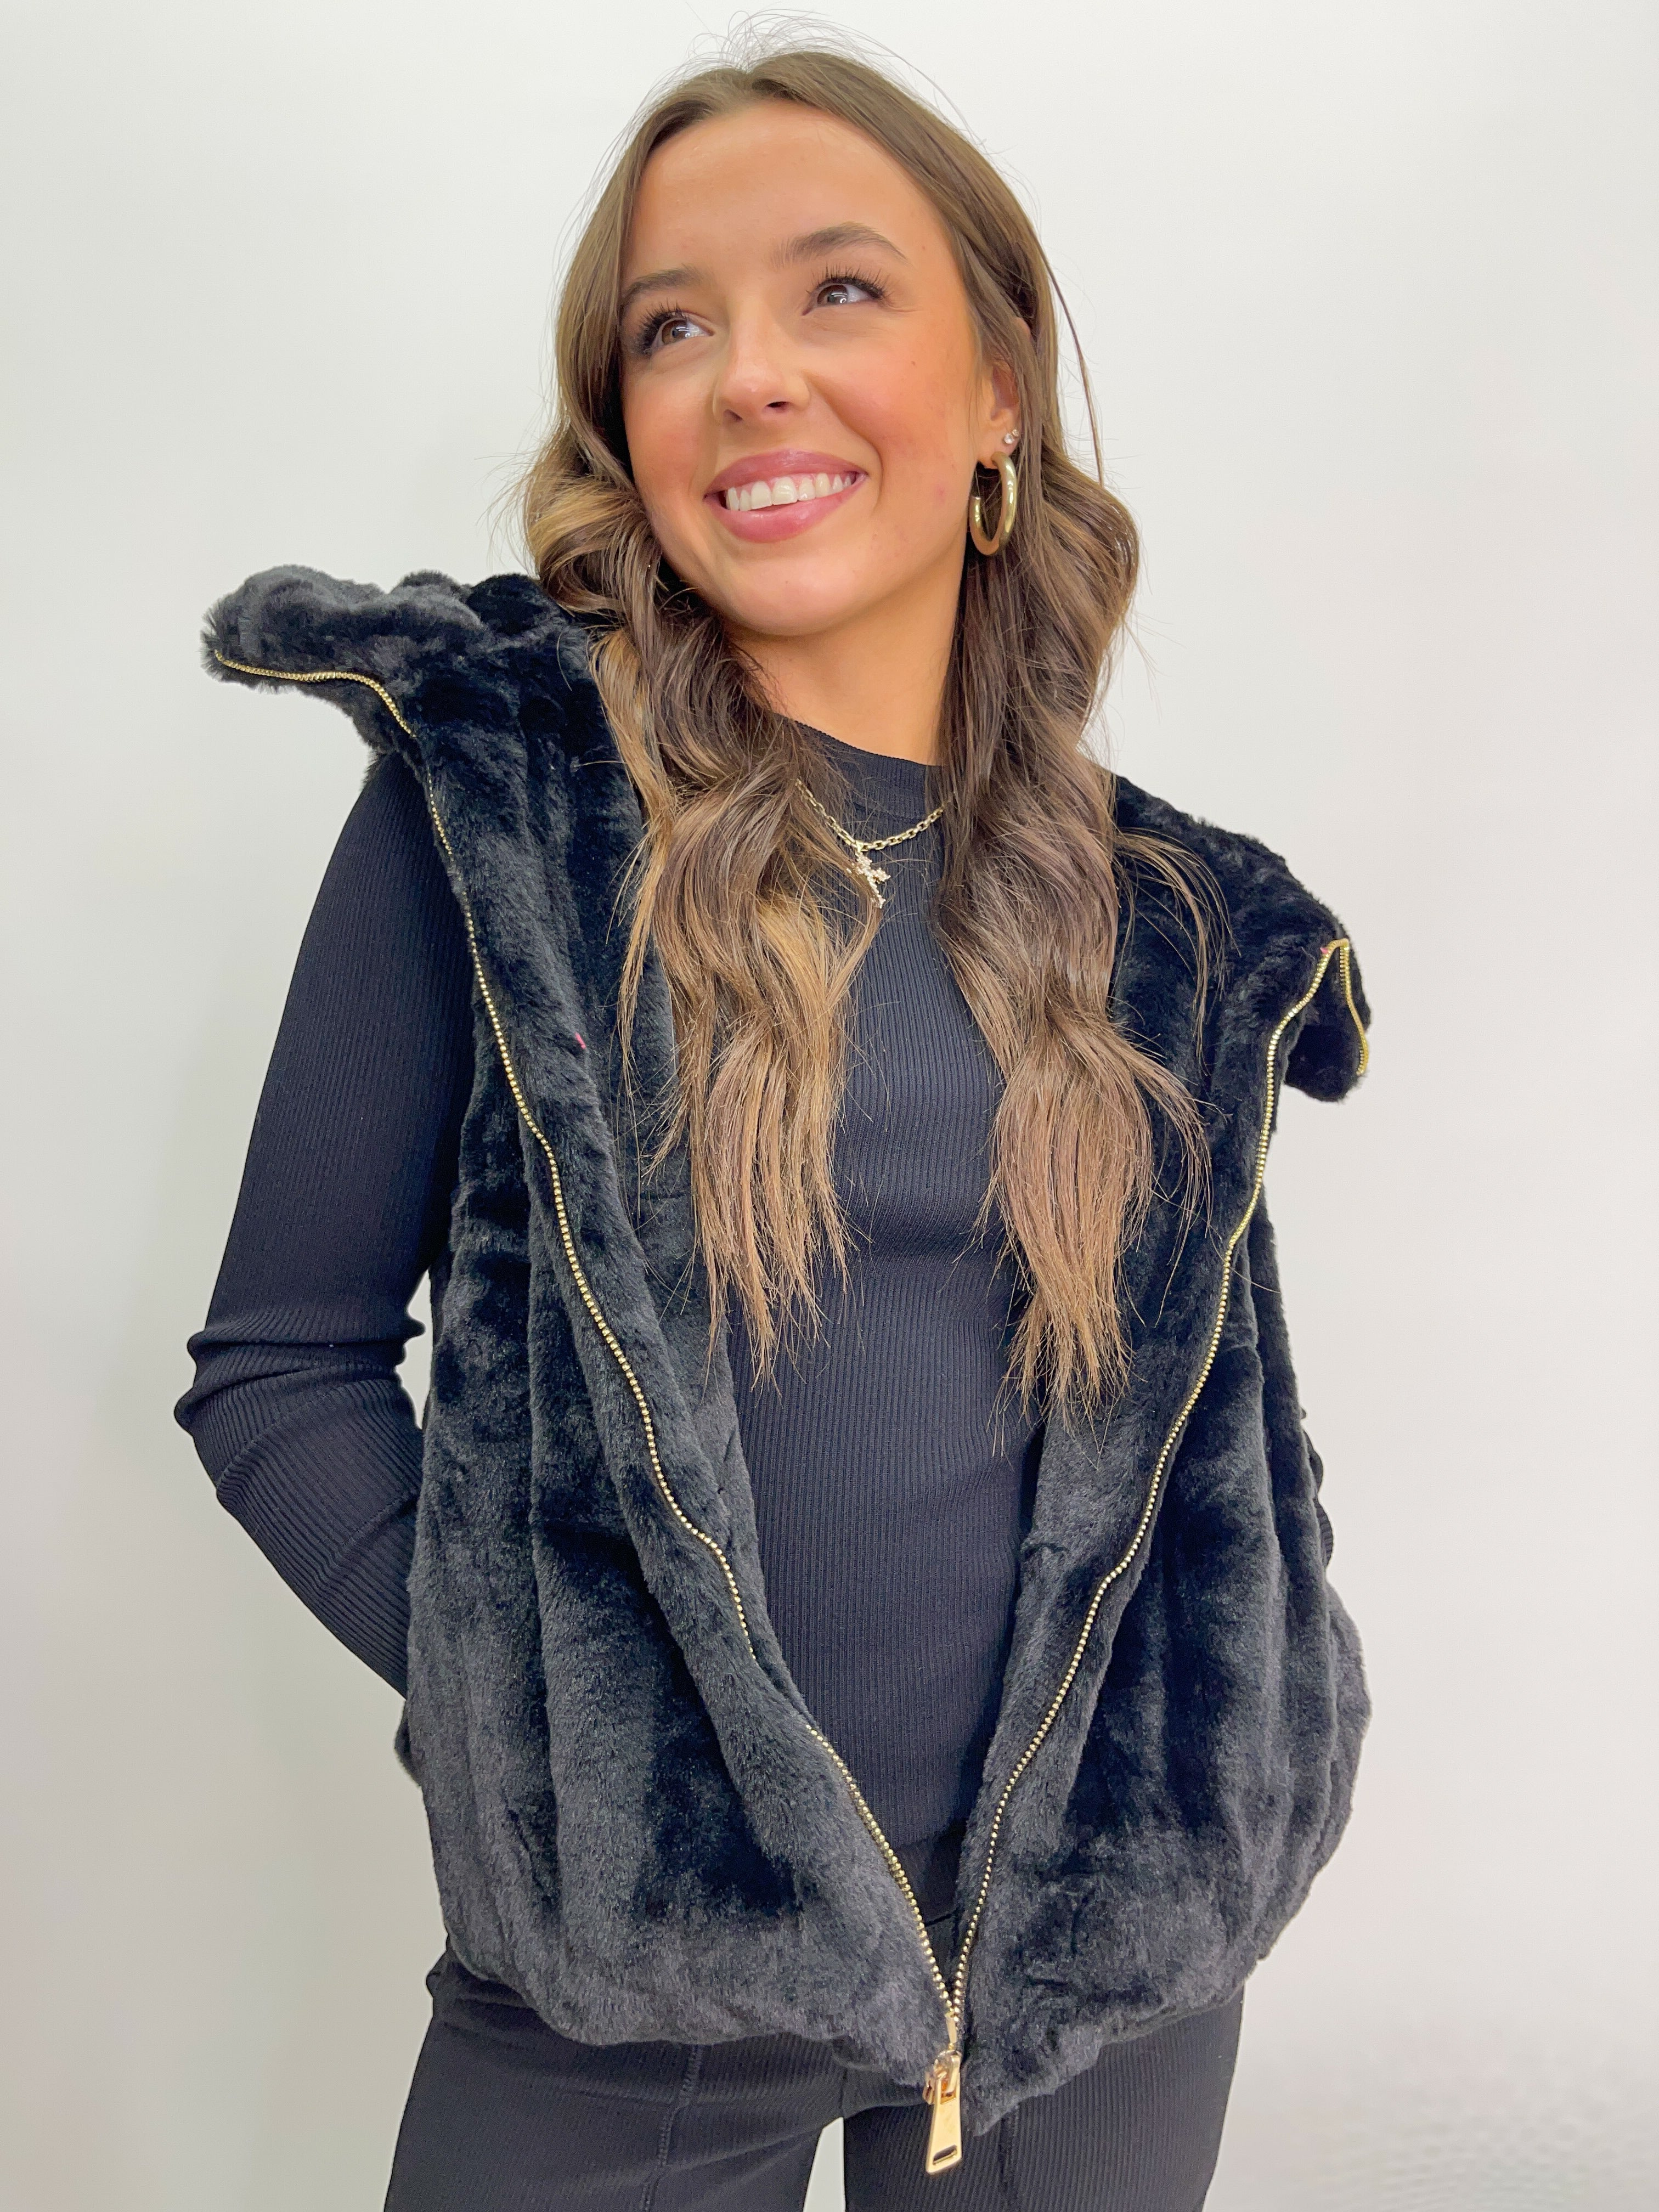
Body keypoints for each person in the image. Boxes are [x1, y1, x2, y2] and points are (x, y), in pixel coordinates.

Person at [178, 39, 1372, 2212]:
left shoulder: (1174, 920)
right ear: (624, 424)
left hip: (1090, 1987)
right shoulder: (507, 812)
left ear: (995, 388)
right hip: (634, 1991)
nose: (748, 375)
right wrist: (565, 1738)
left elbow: (1217, 1440)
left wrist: (1235, 1740)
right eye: (672, 327)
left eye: (838, 290)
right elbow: (279, 1370)